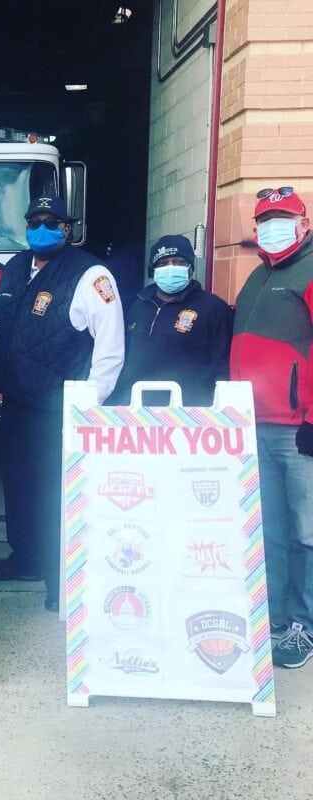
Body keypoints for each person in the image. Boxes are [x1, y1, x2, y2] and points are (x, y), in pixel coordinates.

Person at [0, 195, 125, 610]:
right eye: (35, 221)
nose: (42, 228)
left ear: (68, 229)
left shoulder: (90, 274)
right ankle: (24, 559)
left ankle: (60, 583)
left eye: (53, 222)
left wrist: (88, 404)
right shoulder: (14, 268)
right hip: (16, 401)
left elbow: (110, 347)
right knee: (19, 488)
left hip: (58, 408)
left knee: (55, 496)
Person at [231, 186, 313, 669]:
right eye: (265, 220)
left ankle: (304, 625)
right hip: (253, 424)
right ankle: (278, 617)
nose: (273, 226)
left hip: (296, 430)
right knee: (272, 529)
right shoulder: (258, 276)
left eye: (283, 218)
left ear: (302, 224)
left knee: (306, 532)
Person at [109, 234, 233, 406]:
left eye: (179, 262)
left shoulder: (213, 308)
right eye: (163, 263)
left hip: (190, 415)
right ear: (153, 270)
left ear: (191, 267)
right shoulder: (138, 306)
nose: (170, 267)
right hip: (136, 411)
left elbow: (223, 369)